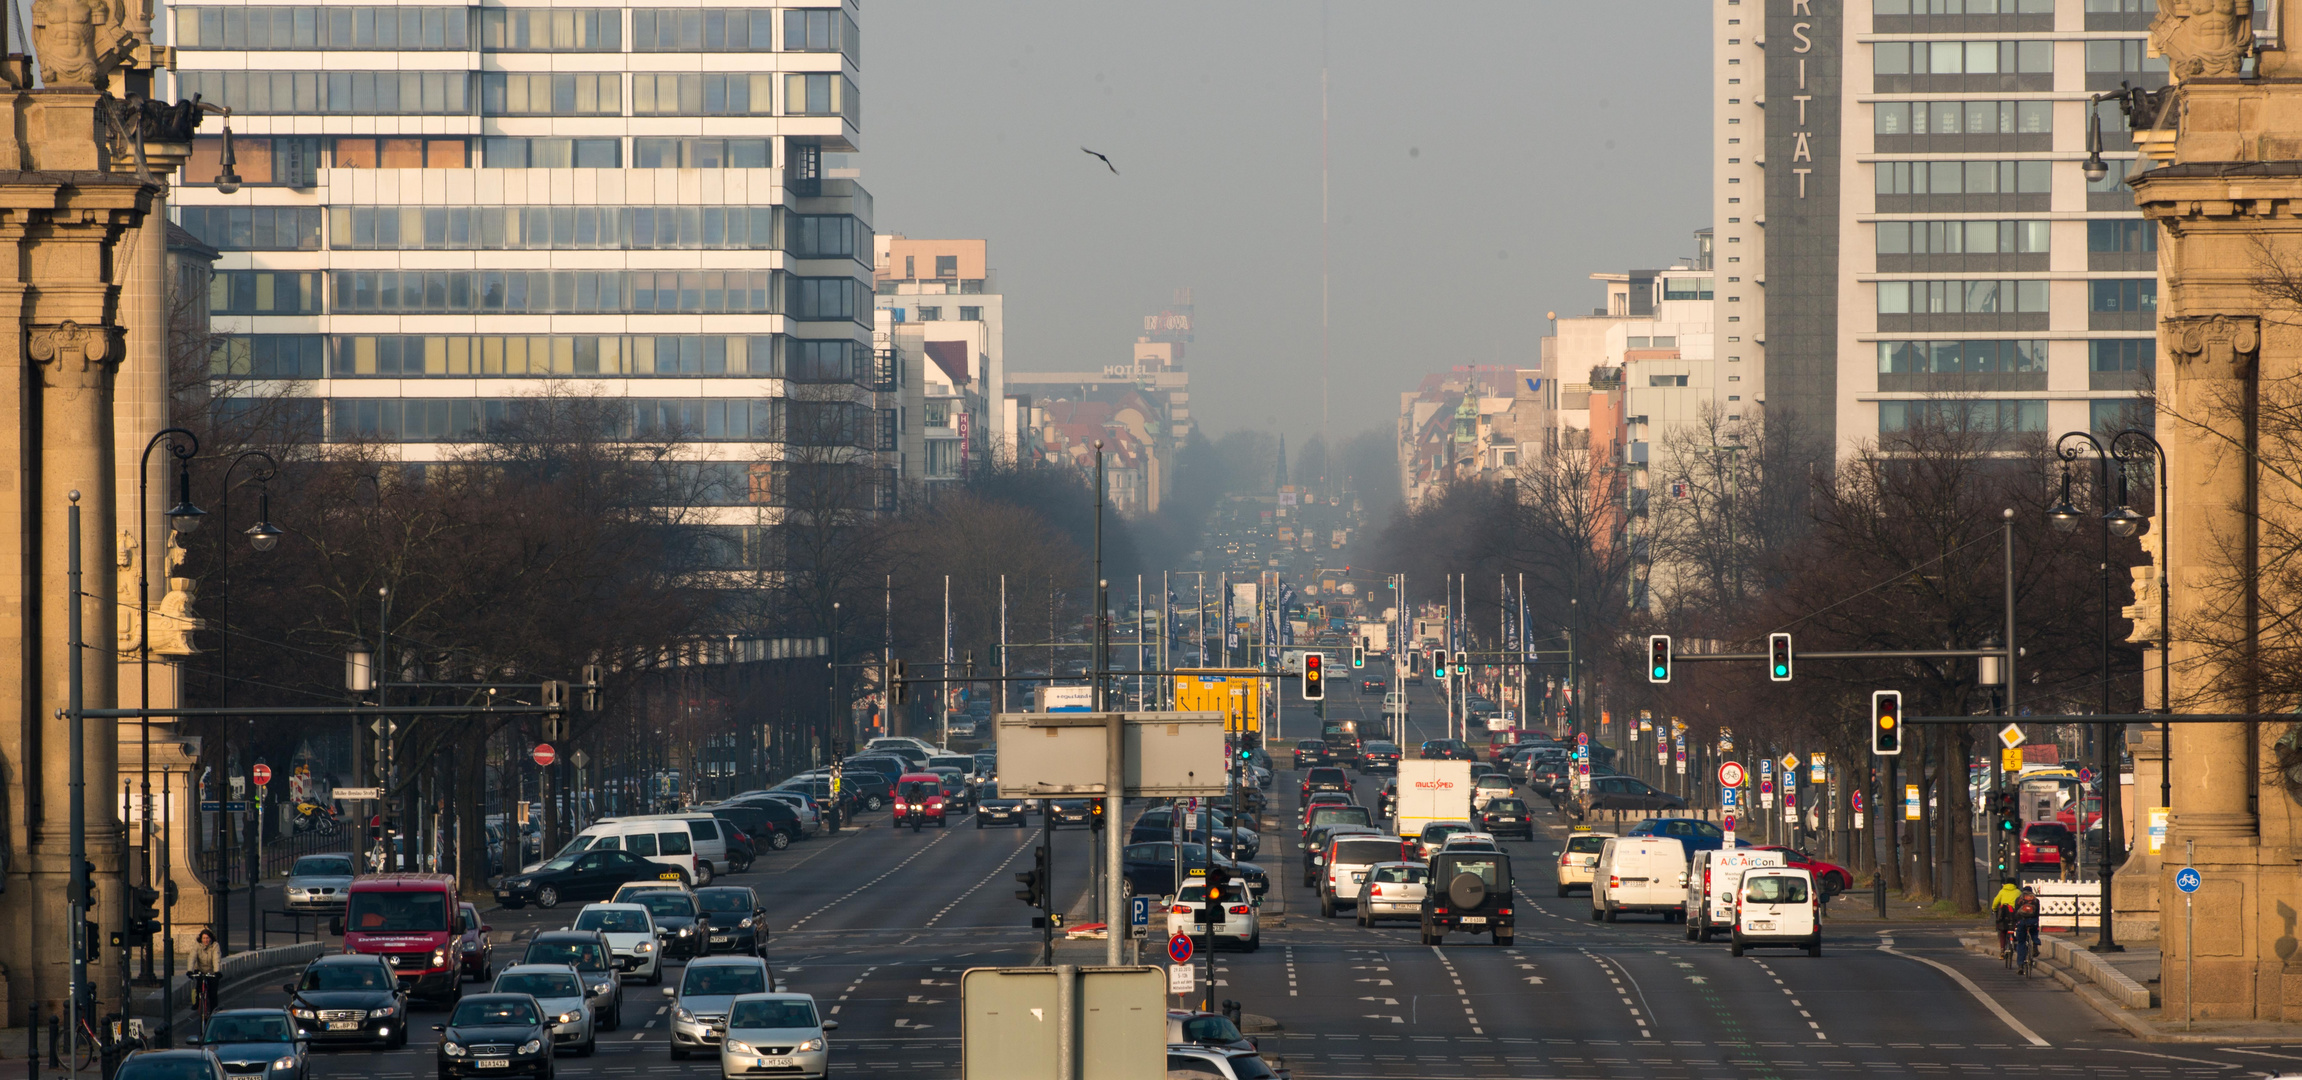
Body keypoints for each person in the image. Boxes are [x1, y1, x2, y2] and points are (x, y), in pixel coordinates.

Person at [188, 928, 222, 1018]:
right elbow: (192, 957)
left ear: (210, 938)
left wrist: (217, 971)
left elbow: (216, 958)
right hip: (200, 969)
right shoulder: (197, 946)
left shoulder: (215, 946)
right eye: (204, 938)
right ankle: (197, 1002)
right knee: (199, 986)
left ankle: (214, 1012)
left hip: (211, 971)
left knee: (213, 993)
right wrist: (189, 970)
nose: (205, 940)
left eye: (207, 938)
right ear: (201, 939)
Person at [2011, 885, 2042, 969]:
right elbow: (2037, 914)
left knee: (2021, 943)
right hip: (2032, 921)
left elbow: (2016, 913)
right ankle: (2035, 942)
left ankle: (2020, 965)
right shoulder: (2036, 900)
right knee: (2034, 931)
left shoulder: (2019, 900)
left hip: (2022, 922)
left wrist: (2016, 922)